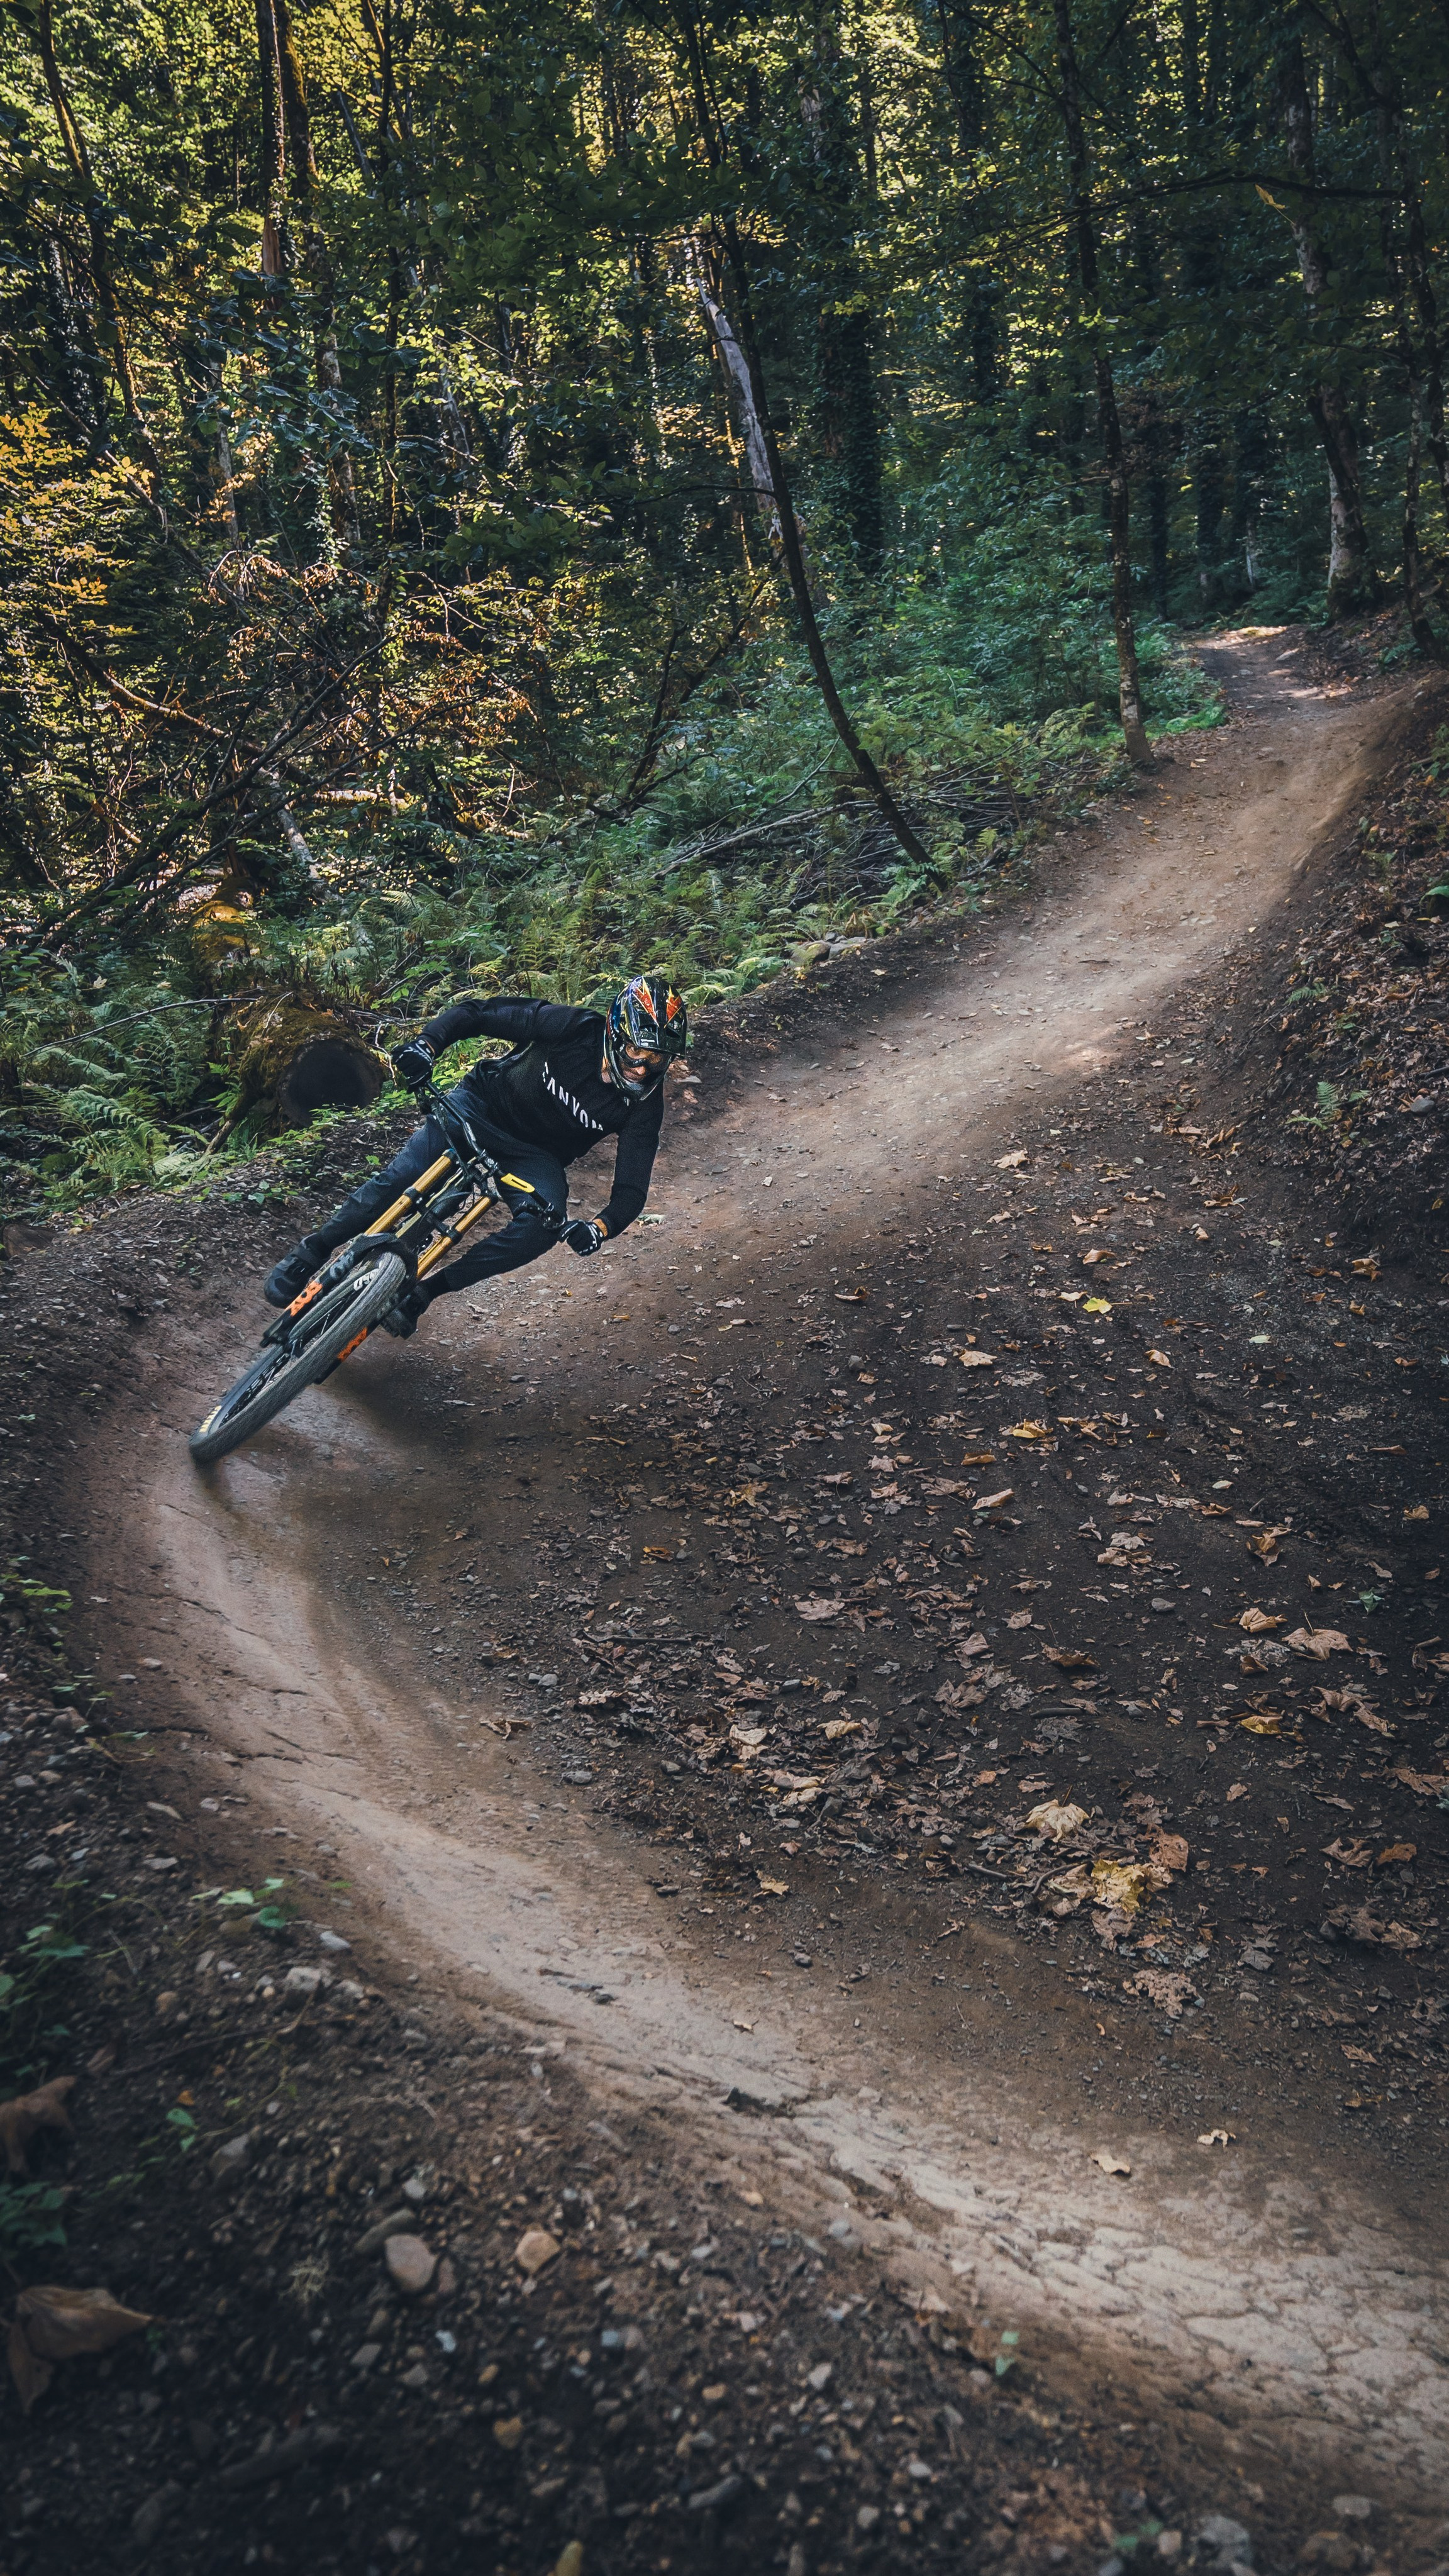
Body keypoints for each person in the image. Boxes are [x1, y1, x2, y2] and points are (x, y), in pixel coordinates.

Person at [262, 975, 687, 1333]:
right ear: (616, 1033)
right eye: (638, 1052)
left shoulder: (644, 1106)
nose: (644, 1068)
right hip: (479, 1106)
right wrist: (426, 1047)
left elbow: (631, 1191)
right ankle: (314, 1250)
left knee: (540, 1227)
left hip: (533, 1157)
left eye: (658, 1059)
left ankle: (424, 1293)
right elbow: (478, 1013)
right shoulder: (575, 1029)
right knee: (399, 1179)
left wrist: (599, 1228)